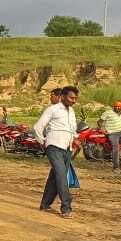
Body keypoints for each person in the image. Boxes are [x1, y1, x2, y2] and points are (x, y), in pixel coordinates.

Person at [33, 85, 80, 218]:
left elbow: (72, 130)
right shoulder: (52, 110)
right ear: (63, 97)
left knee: (55, 176)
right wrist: (43, 143)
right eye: (71, 97)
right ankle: (66, 208)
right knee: (61, 176)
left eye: (75, 98)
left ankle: (45, 204)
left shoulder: (72, 112)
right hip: (54, 147)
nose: (73, 100)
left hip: (67, 148)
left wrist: (76, 139)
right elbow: (37, 127)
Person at [97, 101, 121, 171]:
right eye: (115, 106)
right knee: (116, 148)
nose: (117, 107)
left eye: (119, 106)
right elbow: (99, 122)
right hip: (112, 133)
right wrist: (102, 128)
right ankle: (116, 167)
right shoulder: (108, 113)